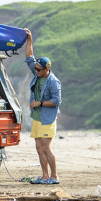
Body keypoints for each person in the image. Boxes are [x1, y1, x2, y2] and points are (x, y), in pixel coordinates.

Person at [24, 28, 62, 185]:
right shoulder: (37, 73)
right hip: (37, 117)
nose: (36, 70)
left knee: (46, 148)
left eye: (39, 69)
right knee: (39, 148)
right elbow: (29, 57)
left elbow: (56, 101)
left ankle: (54, 176)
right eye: (36, 68)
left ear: (47, 69)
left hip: (48, 118)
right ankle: (45, 176)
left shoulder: (53, 81)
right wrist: (29, 39)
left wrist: (39, 102)